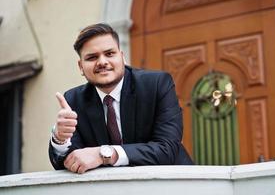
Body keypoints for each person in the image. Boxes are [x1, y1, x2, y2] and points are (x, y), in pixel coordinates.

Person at [49, 23, 193, 174]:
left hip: (172, 184)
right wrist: (60, 139)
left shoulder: (157, 84)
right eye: (92, 57)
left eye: (110, 54)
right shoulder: (73, 100)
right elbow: (70, 161)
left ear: (122, 57)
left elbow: (167, 149)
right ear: (80, 67)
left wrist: (104, 154)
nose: (102, 62)